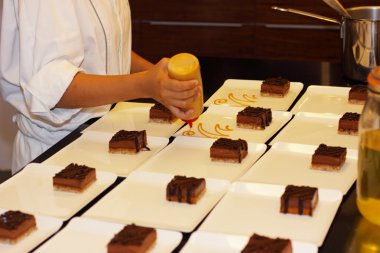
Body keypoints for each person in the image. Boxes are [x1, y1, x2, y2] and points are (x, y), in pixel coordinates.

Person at [0, 1, 201, 174]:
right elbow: (55, 89)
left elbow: (108, 48)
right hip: (57, 154)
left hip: (104, 136)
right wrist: (146, 84)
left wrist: (164, 79)